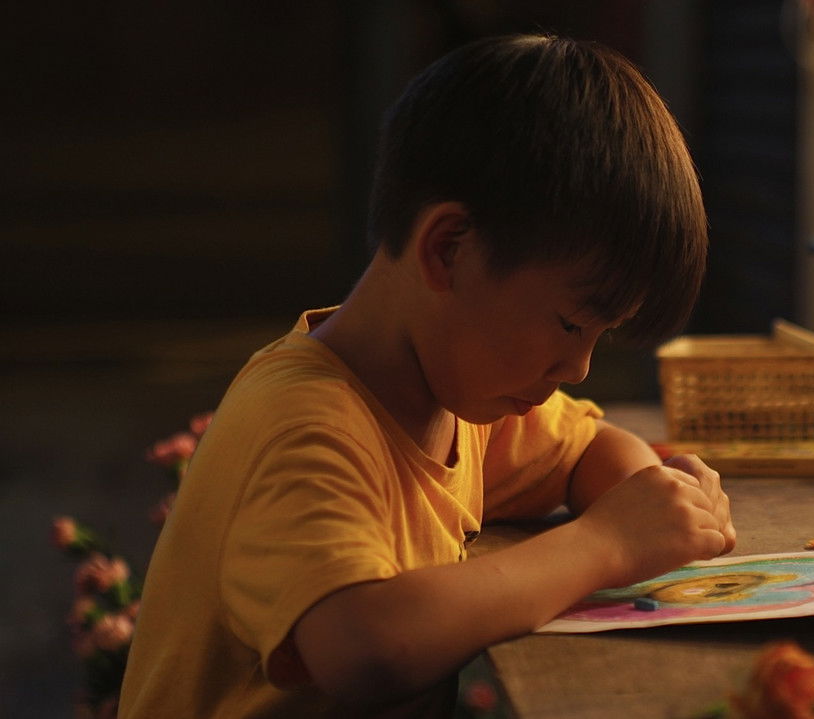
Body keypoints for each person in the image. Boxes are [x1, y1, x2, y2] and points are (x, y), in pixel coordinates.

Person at [118, 34, 735, 717]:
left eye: (600, 336)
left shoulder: (453, 393)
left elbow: (585, 449)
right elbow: (365, 644)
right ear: (450, 249)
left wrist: (648, 498)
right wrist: (607, 542)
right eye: (569, 324)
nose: (578, 367)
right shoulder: (304, 424)